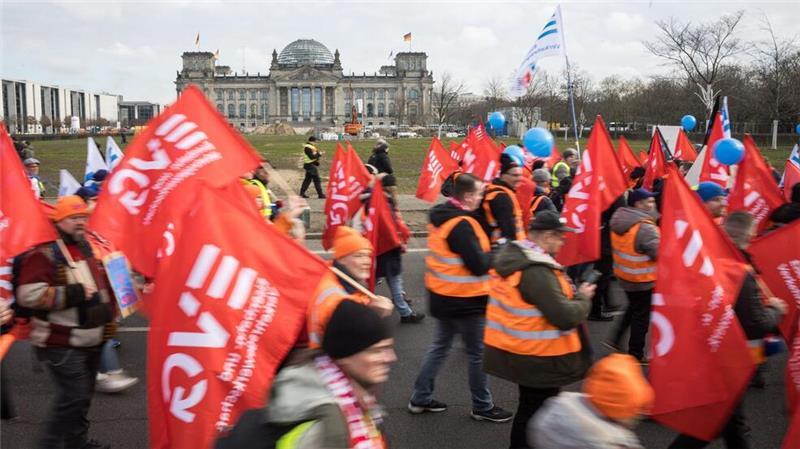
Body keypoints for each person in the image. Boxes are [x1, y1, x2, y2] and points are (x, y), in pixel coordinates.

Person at [668, 211, 787, 449]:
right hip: (729, 361)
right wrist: (776, 311)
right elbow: (755, 323)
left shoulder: (708, 261)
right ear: (751, 234)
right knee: (716, 424)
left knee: (727, 423)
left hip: (709, 353)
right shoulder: (740, 272)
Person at [216, 300, 395, 449]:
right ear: (346, 356)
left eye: (387, 348)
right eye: (376, 351)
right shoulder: (326, 429)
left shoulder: (342, 392)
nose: (390, 358)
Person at [483, 210, 594, 448]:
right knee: (535, 411)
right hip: (540, 357)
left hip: (525, 352)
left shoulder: (519, 258)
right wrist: (584, 299)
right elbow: (564, 316)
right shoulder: (536, 270)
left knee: (531, 407)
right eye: (560, 236)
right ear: (546, 236)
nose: (564, 240)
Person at [408, 173, 513, 423]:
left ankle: (420, 398)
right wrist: (498, 251)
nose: (481, 198)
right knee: (478, 354)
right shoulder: (462, 224)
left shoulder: (443, 215)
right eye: (478, 194)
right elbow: (478, 265)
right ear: (467, 197)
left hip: (443, 297)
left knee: (439, 348)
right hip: (466, 300)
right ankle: (482, 406)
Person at [15, 195, 114, 449]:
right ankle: (48, 445)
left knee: (81, 398)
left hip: (92, 338)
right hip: (61, 341)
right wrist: (75, 293)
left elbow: (102, 283)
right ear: (59, 221)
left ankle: (76, 443)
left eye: (83, 217)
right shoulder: (44, 253)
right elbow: (29, 295)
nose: (80, 222)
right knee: (73, 397)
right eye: (73, 218)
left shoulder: (87, 247)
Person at [530, 354, 654, 449]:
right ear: (618, 411)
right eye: (635, 409)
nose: (638, 415)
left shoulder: (560, 406)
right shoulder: (613, 442)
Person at [307, 226, 393, 349]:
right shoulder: (336, 299)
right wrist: (373, 314)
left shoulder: (347, 281)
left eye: (368, 255)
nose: (366, 261)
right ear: (341, 259)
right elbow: (350, 346)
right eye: (358, 256)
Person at [606, 188, 660, 364]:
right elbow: (659, 253)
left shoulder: (620, 218)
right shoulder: (645, 227)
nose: (652, 205)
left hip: (625, 276)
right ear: (638, 204)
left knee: (633, 309)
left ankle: (615, 339)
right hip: (644, 280)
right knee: (641, 318)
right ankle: (636, 353)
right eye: (649, 202)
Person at [366, 175, 425, 323]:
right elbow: (390, 226)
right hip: (388, 250)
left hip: (380, 249)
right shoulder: (384, 202)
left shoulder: (376, 200)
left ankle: (365, 306)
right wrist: (398, 242)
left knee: (376, 280)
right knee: (394, 282)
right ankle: (405, 313)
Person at [478, 154, 526, 244]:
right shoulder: (501, 197)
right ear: (503, 175)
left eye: (520, 175)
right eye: (515, 175)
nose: (519, 179)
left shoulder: (496, 190)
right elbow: (509, 230)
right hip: (504, 249)